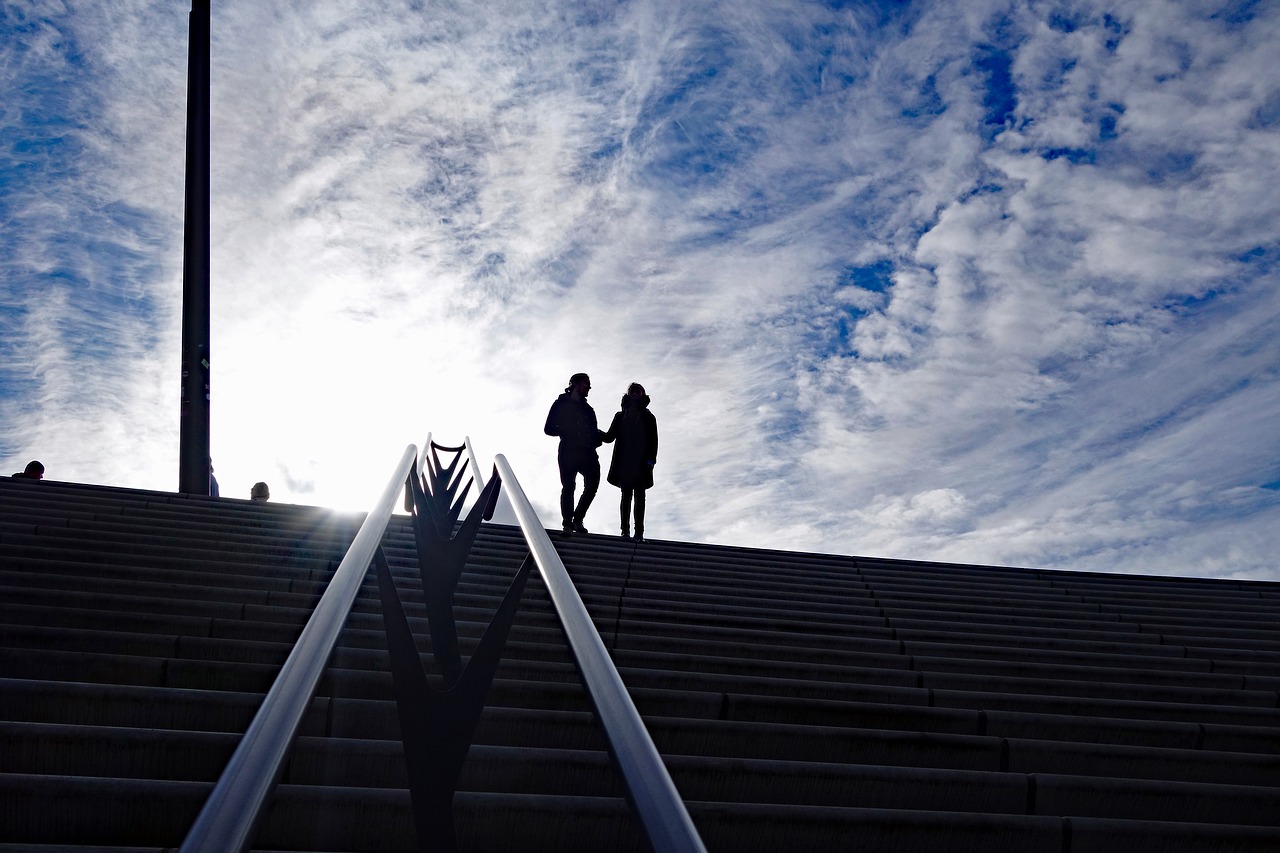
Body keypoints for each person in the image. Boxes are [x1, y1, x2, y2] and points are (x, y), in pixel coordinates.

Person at [544, 372, 608, 535]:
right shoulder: (560, 403)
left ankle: (578, 519)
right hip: (568, 452)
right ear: (574, 384)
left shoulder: (589, 410)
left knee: (592, 486)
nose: (589, 387)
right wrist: (566, 430)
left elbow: (593, 431)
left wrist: (605, 435)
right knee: (568, 487)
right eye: (586, 383)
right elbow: (548, 428)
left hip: (588, 453)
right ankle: (567, 524)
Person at [604, 383, 658, 542]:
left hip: (642, 462)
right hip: (624, 462)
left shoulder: (649, 417)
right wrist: (592, 433)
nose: (635, 394)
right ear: (628, 394)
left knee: (640, 496)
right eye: (632, 391)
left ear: (643, 394)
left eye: (638, 391)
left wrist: (651, 461)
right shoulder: (620, 416)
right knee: (626, 495)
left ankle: (639, 533)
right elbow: (609, 437)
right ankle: (625, 532)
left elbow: (654, 441)